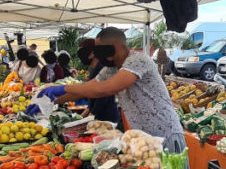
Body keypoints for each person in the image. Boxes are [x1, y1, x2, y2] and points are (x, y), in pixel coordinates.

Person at [44, 27, 185, 152]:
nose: (97, 55)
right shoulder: (110, 69)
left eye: (100, 50)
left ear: (115, 47)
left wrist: (63, 87)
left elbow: (105, 89)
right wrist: (49, 99)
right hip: (143, 138)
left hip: (165, 133)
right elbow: (88, 88)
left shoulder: (138, 60)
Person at [75, 39, 121, 126]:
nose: (80, 55)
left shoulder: (102, 69)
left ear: (92, 53)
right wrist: (84, 115)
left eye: (82, 51)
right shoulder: (94, 69)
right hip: (99, 115)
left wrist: (92, 114)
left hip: (106, 117)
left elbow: (104, 95)